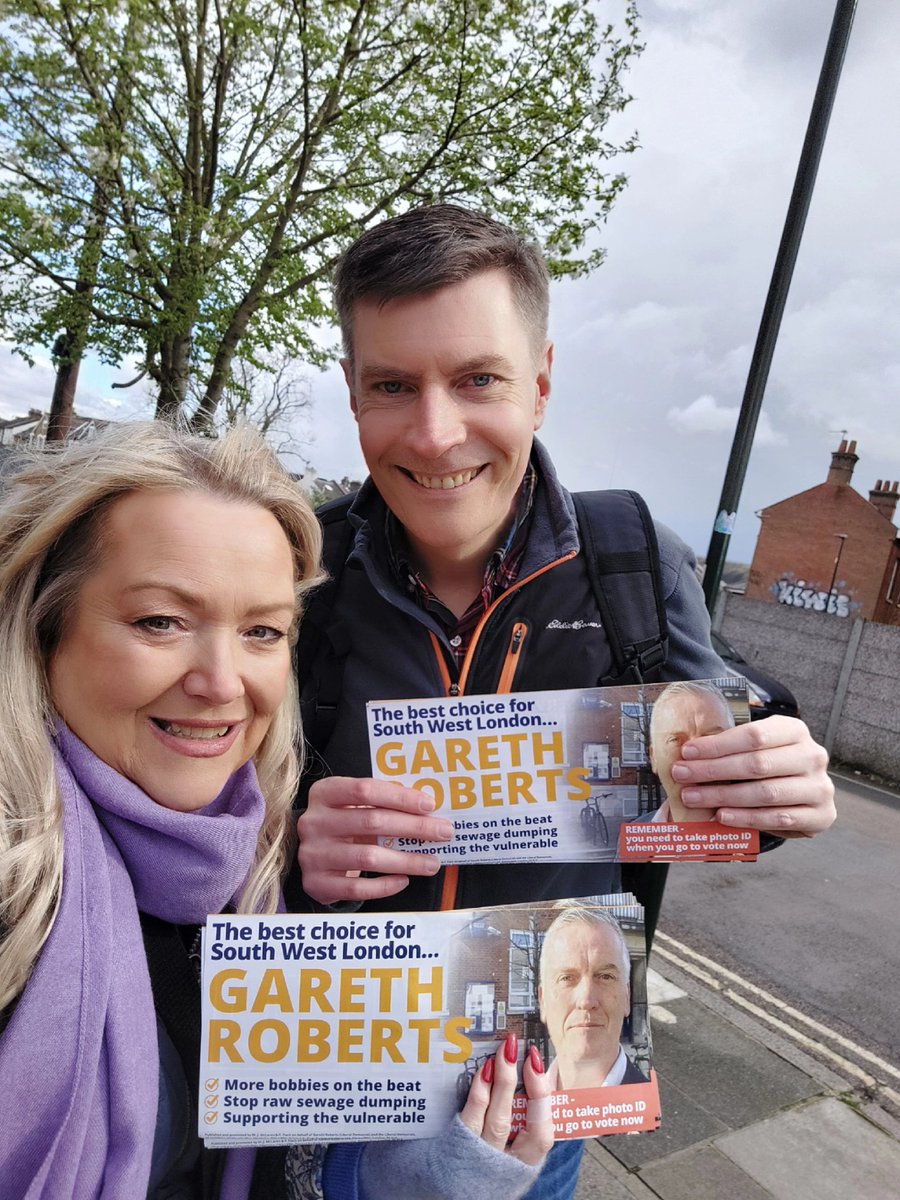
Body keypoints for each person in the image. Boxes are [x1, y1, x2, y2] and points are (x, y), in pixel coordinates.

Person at [290, 204, 836, 1199]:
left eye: (478, 379)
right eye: (392, 385)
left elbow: (720, 732)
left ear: (540, 383)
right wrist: (287, 838)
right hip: (338, 1091)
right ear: (352, 393)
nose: (435, 430)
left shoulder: (629, 553)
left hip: (548, 1103)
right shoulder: (295, 566)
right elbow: (189, 798)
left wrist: (772, 775)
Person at [0, 421, 550, 1200]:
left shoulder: (256, 885)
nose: (223, 682)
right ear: (42, 629)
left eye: (262, 631)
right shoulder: (13, 896)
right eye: (161, 621)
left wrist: (423, 1180)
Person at [537, 906, 648, 1091]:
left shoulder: (656, 1114)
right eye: (566, 978)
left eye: (605, 977)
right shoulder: (507, 1111)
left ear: (627, 996)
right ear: (543, 1002)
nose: (586, 1001)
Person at [646, 681, 737, 822]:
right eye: (675, 740)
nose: (693, 755)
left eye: (711, 737)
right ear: (654, 758)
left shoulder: (762, 830)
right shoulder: (628, 838)